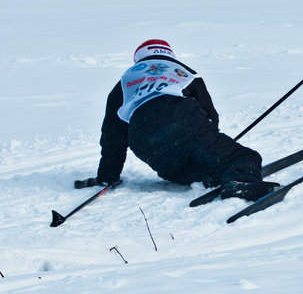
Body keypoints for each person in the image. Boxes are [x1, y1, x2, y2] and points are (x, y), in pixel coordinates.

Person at [93, 39, 278, 200]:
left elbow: (113, 137)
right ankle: (241, 182)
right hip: (182, 120)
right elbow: (210, 113)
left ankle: (214, 177)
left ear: (138, 59)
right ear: (170, 55)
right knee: (245, 157)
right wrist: (213, 143)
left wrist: (108, 176)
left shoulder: (125, 82)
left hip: (144, 143)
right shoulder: (181, 70)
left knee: (196, 173)